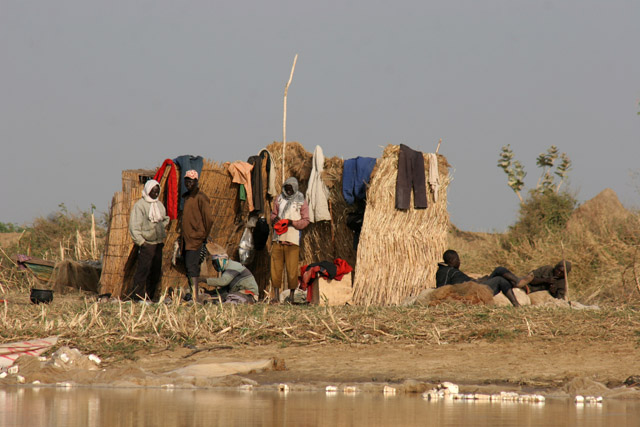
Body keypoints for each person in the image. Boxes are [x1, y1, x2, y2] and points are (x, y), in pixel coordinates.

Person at [435, 249, 523, 307]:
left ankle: (517, 284)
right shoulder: (445, 271)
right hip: (475, 291)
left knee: (499, 271)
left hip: (475, 285)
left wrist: (479, 280)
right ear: (451, 261)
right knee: (500, 278)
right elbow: (443, 288)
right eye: (458, 260)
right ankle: (517, 286)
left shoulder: (451, 270)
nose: (459, 262)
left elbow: (465, 281)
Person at [270, 177, 310, 303]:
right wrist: (274, 219)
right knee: (275, 268)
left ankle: (291, 297)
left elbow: (306, 220)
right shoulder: (279, 199)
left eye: (290, 189)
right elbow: (273, 214)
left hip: (292, 239)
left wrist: (291, 222)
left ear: (295, 188)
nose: (288, 191)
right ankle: (276, 296)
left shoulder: (301, 200)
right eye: (286, 188)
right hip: (278, 239)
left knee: (292, 270)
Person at [128, 179, 170, 300]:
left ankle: (150, 296)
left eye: (157, 192)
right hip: (147, 244)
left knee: (155, 272)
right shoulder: (140, 206)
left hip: (158, 244)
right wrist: (142, 242)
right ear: (147, 190)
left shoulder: (159, 205)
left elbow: (164, 219)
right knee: (143, 271)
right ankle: (138, 297)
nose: (155, 194)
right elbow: (134, 226)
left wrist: (162, 228)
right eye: (153, 191)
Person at [181, 169, 214, 301]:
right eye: (186, 181)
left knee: (192, 266)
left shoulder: (200, 197)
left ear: (196, 182)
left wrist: (203, 235)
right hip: (188, 239)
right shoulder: (187, 197)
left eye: (191, 181)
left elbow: (209, 219)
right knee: (189, 266)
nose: (188, 184)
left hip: (195, 239)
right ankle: (193, 292)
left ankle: (195, 295)